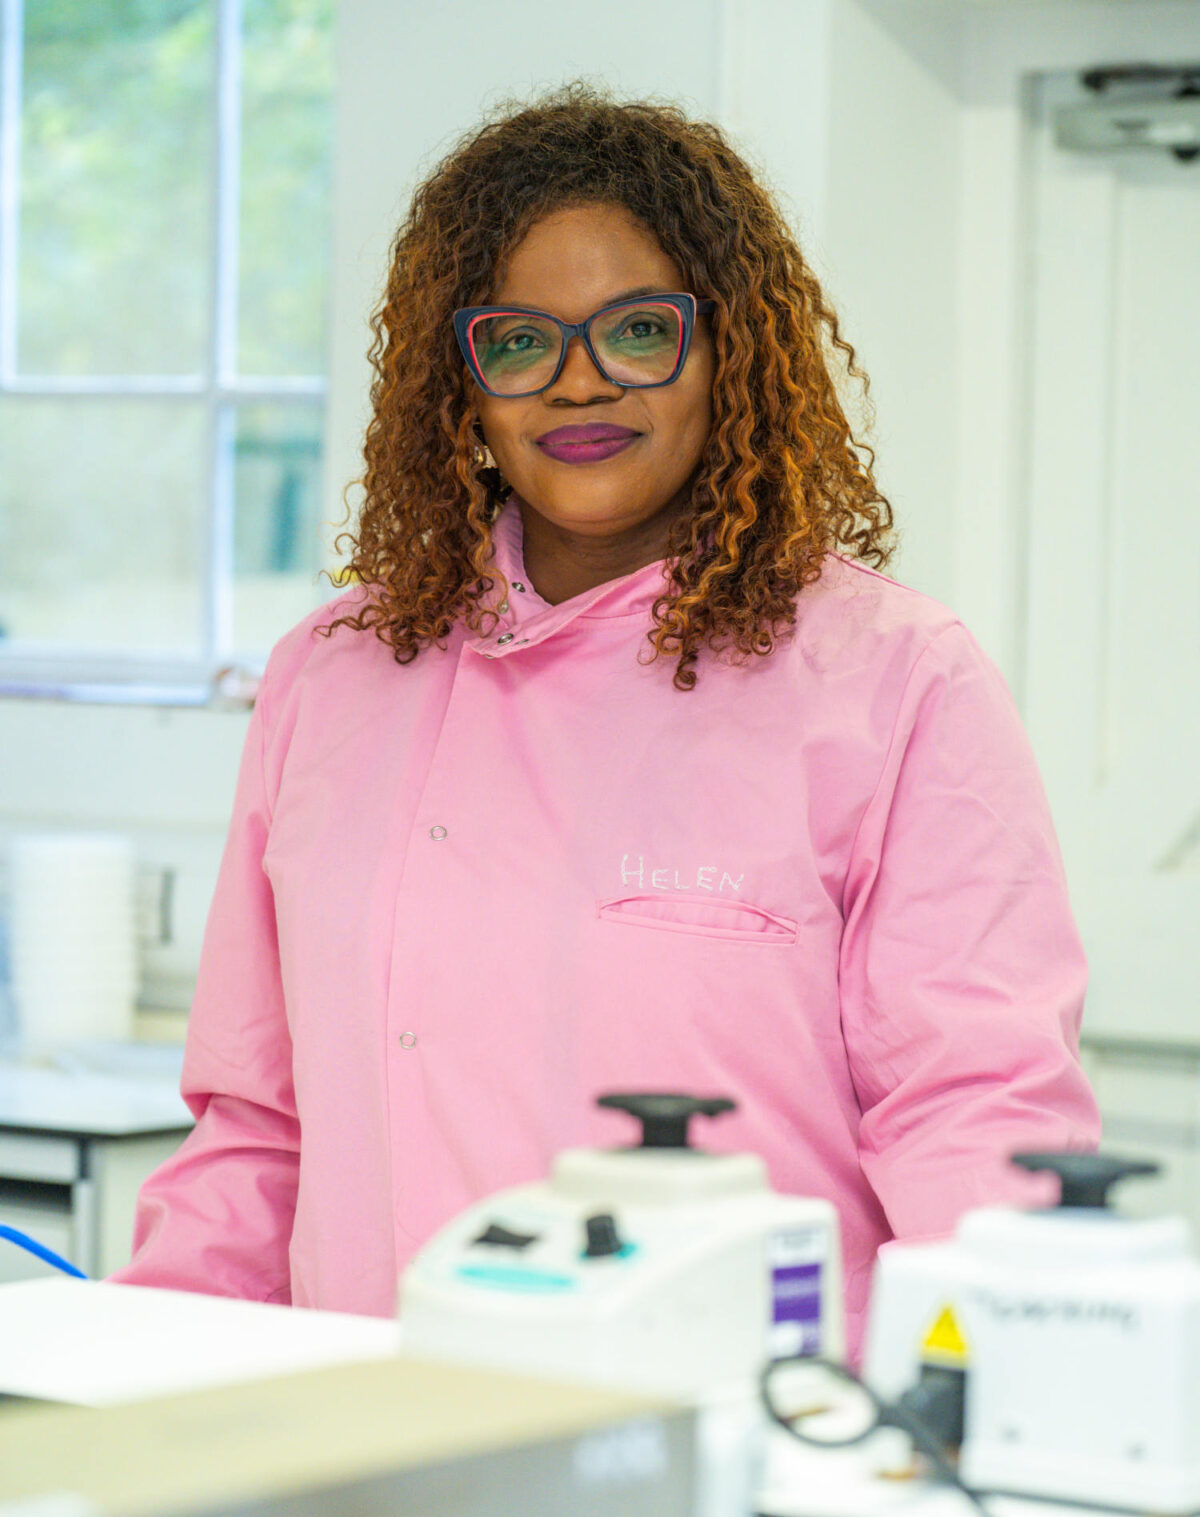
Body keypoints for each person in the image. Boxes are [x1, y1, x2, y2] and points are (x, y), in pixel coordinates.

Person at [111, 86, 1100, 1360]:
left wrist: (974, 1424)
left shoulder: (895, 679)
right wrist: (140, 1377)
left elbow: (976, 1122)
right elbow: (259, 1130)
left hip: (749, 1442)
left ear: (729, 350)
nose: (580, 381)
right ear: (461, 384)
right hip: (358, 1433)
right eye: (519, 341)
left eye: (641, 329)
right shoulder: (334, 674)